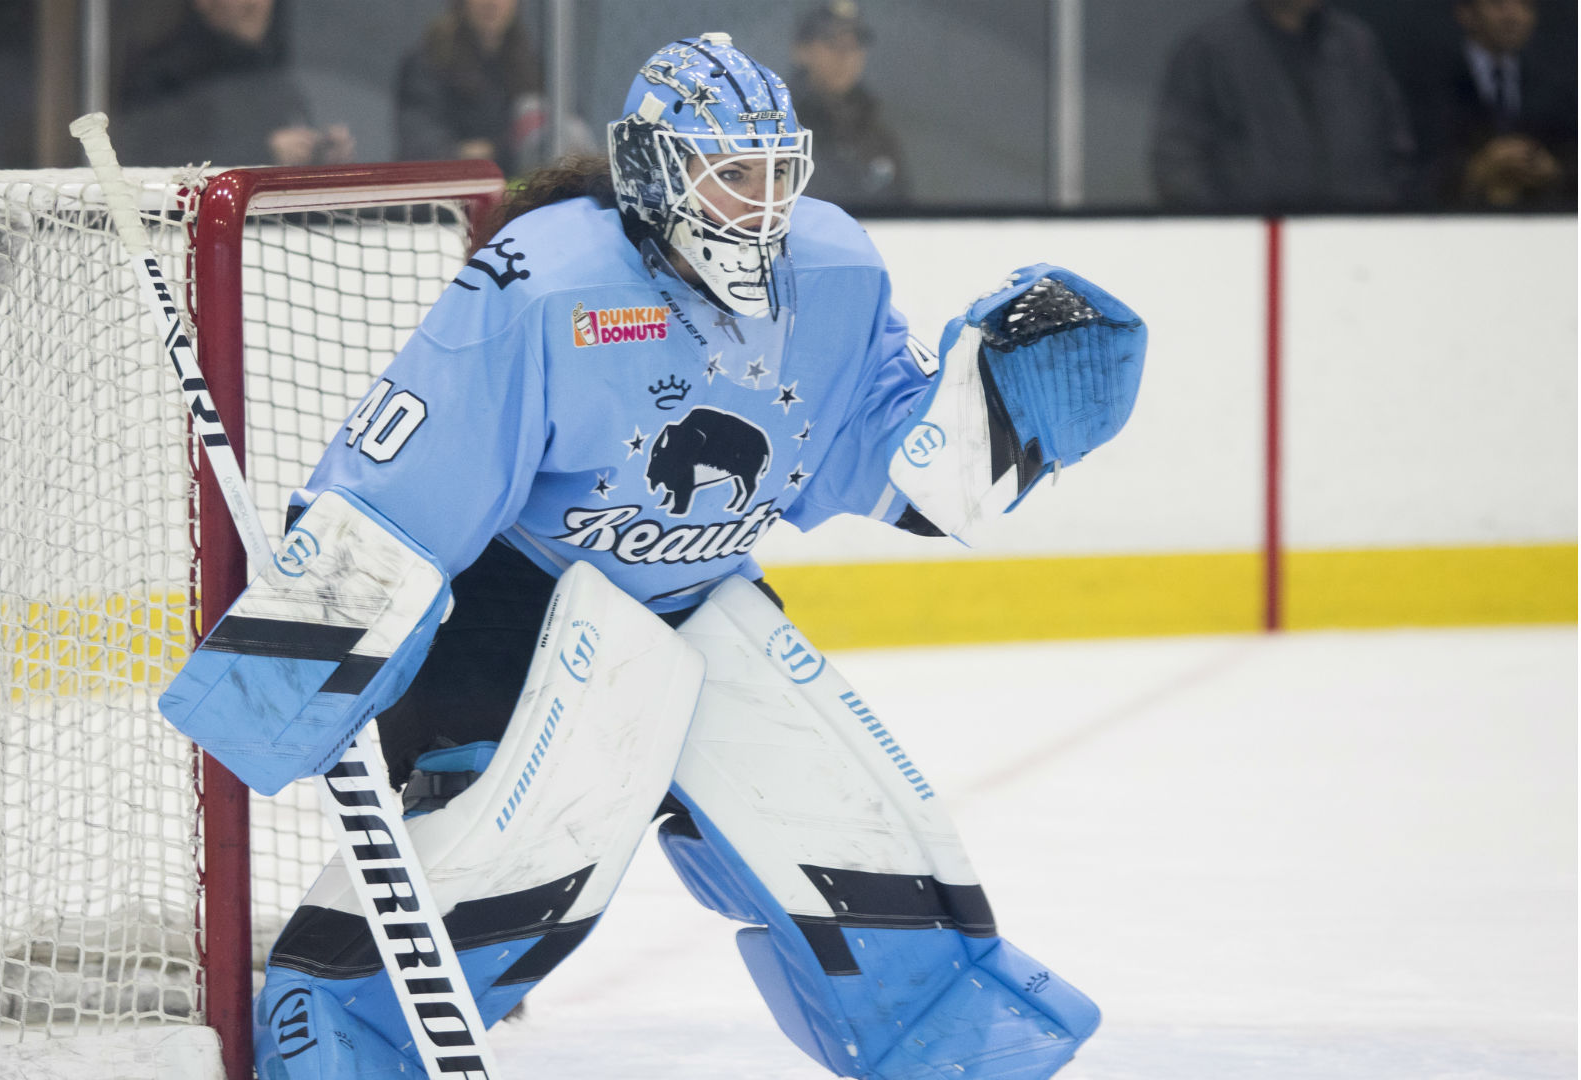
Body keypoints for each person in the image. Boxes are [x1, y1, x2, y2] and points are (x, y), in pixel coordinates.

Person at [162, 33, 1145, 1080]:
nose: (760, 204)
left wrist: (996, 409)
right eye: (730, 175)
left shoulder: (835, 271)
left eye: (777, 172)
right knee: (521, 861)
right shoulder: (547, 285)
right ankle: (341, 1026)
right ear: (654, 172)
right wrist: (315, 651)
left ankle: (936, 1038)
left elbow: (882, 451)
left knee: (865, 842)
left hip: (700, 596)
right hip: (516, 614)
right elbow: (410, 478)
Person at [1151, 0, 1415, 210]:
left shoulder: (1356, 44)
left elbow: (1396, 145)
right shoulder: (1211, 50)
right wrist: (1223, 228)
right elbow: (1179, 161)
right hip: (1246, 247)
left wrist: (1383, 212)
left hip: (1359, 244)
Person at [114, 0, 354, 168]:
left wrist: (318, 153)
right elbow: (148, 160)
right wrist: (262, 153)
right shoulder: (163, 75)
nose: (256, 4)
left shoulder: (277, 75)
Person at [1409, 0, 1574, 208]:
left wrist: (1553, 169)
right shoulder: (1432, 81)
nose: (1513, 16)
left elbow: (1569, 150)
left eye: (1525, 5)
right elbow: (1417, 162)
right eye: (1498, 4)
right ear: (1466, 13)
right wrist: (1475, 170)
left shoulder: (1553, 85)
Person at [393, 0, 547, 176]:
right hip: (451, 192)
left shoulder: (533, 66)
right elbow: (421, 147)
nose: (493, 4)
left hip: (522, 197)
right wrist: (494, 151)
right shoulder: (428, 62)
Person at [788, 0, 908, 208]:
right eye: (832, 44)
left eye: (854, 46)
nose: (845, 56)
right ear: (801, 51)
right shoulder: (779, 128)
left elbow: (904, 210)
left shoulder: (879, 137)